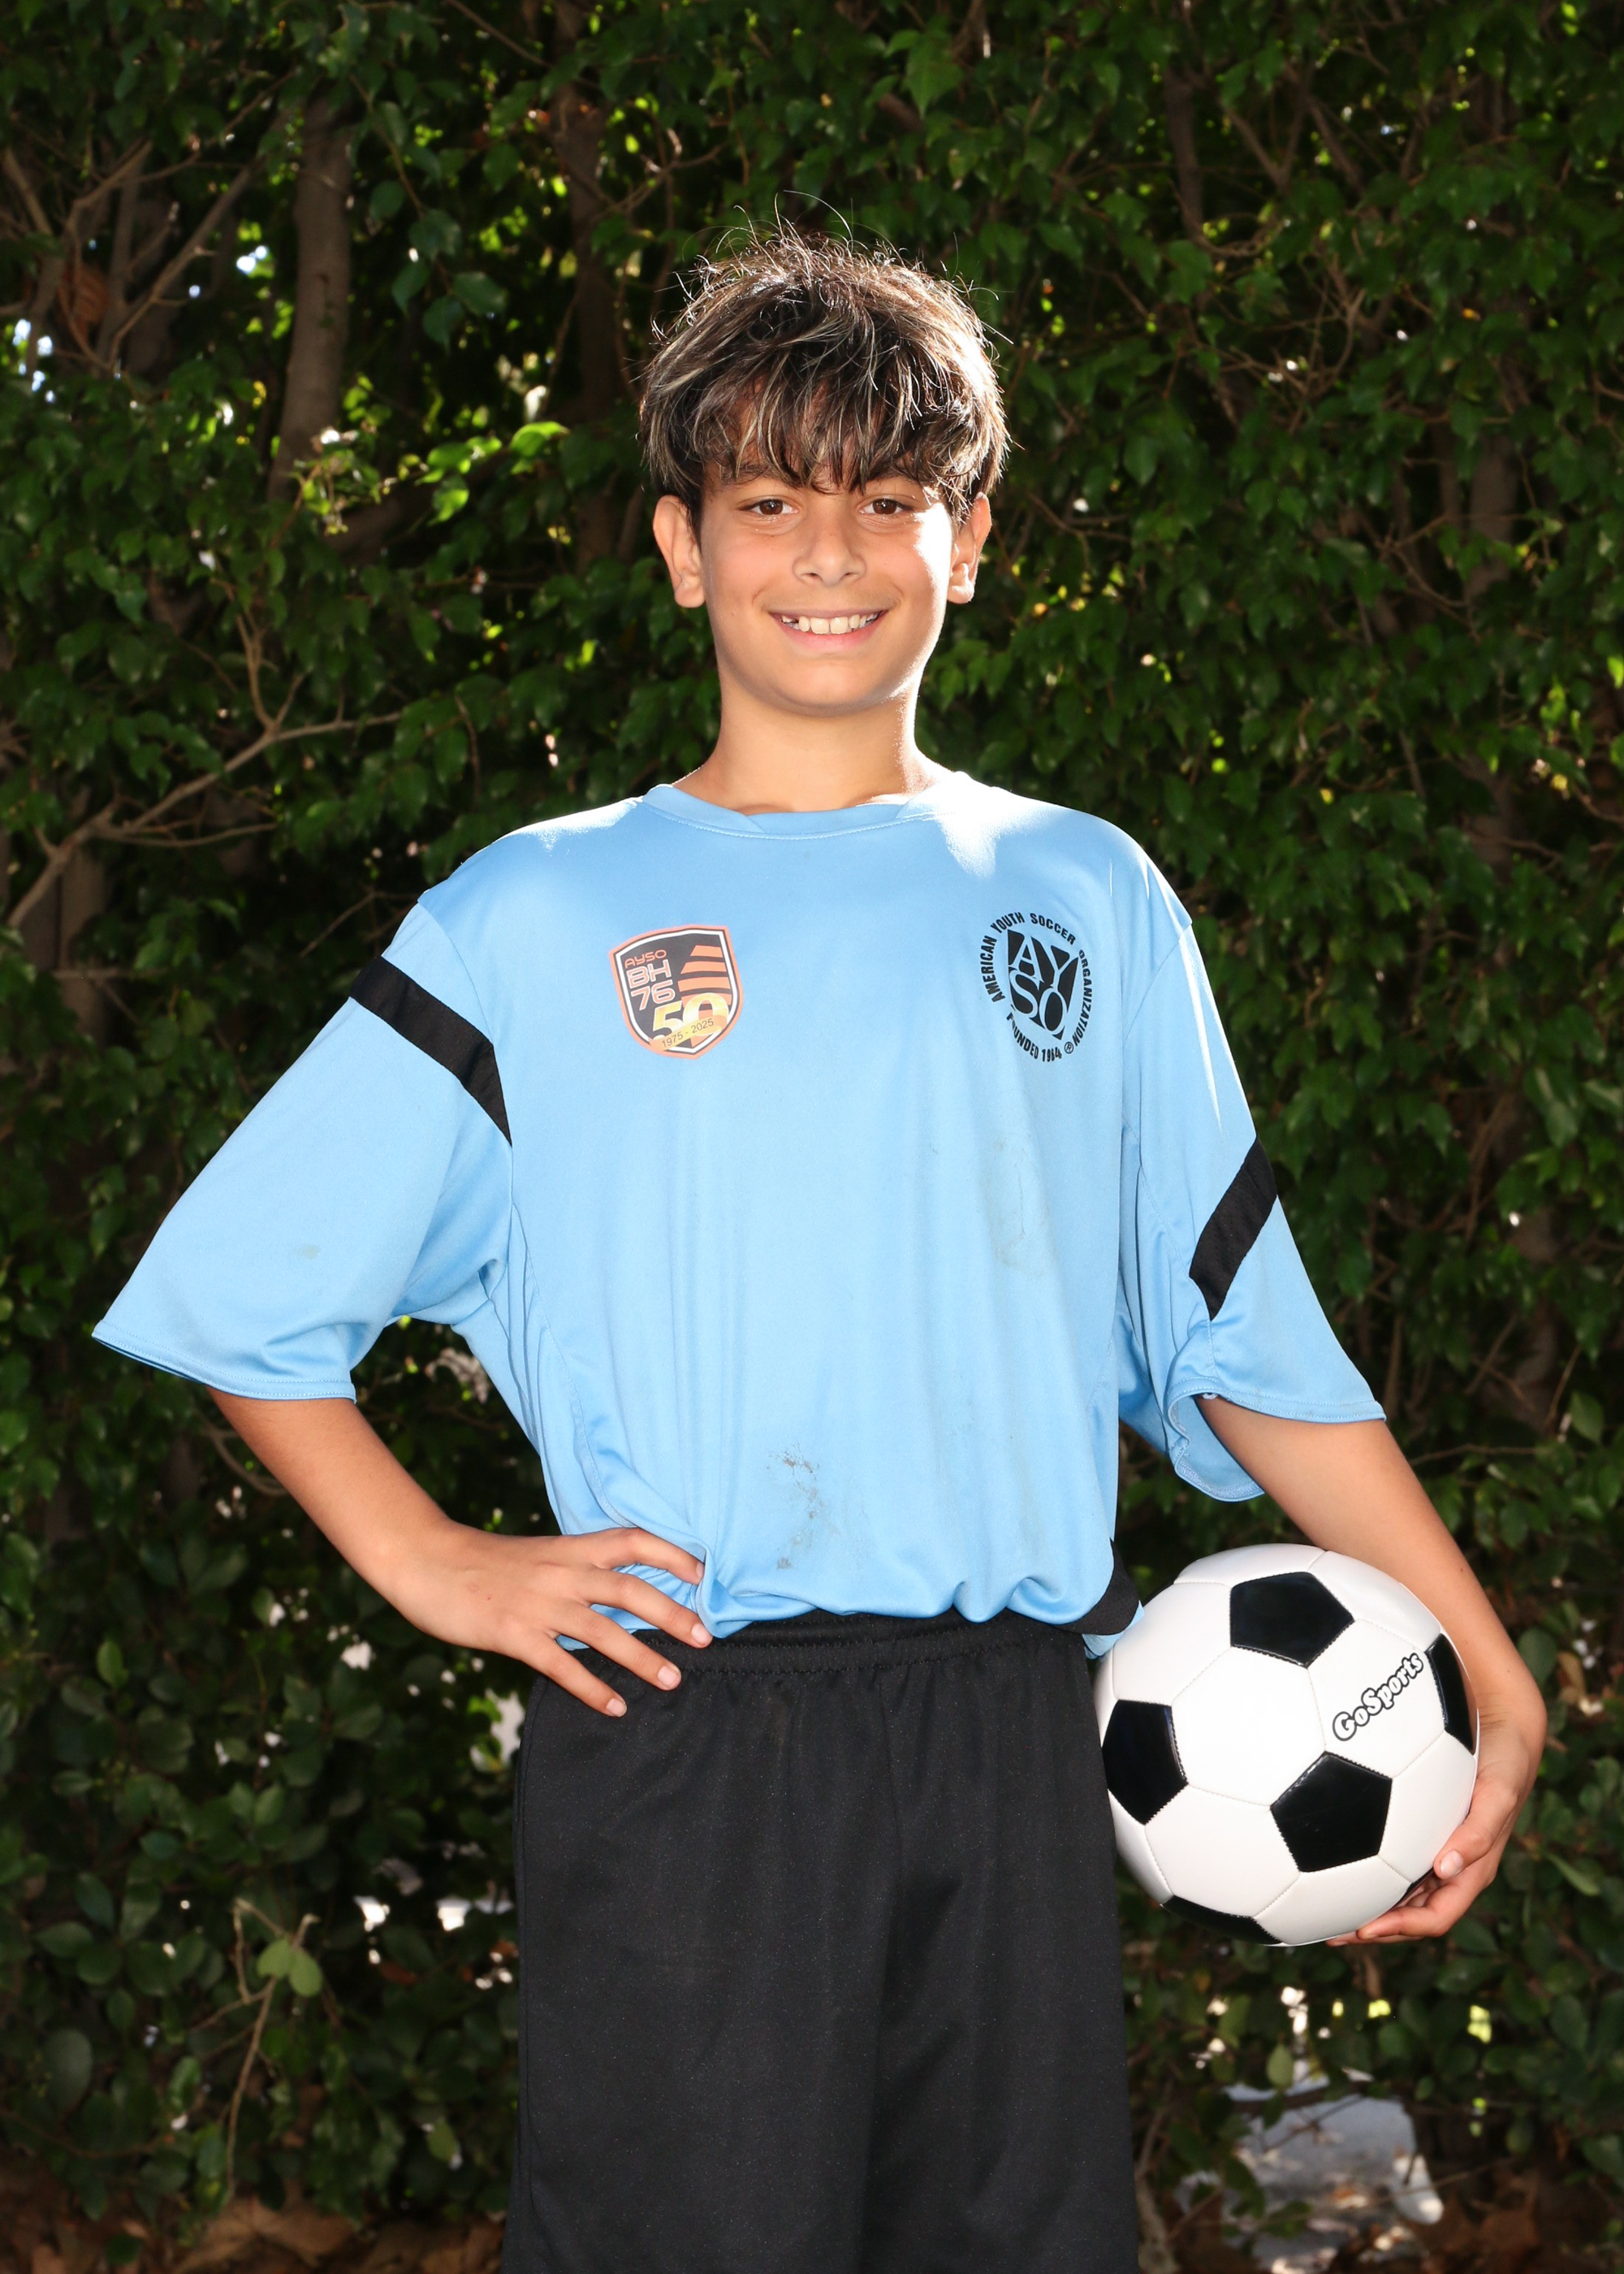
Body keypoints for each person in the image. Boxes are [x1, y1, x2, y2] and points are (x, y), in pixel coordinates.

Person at [95, 231, 1545, 2274]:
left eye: (890, 497)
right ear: (681, 546)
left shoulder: (1086, 894)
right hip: (686, 1728)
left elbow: (1243, 1341)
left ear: (975, 534)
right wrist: (430, 1557)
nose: (831, 551)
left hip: (1018, 1727)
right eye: (770, 500)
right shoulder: (537, 913)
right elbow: (252, 1289)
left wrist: (1477, 1657)